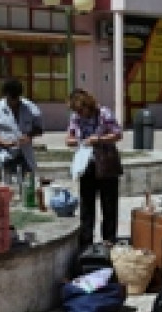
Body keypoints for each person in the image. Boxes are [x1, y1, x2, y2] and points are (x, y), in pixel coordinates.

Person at [65, 89, 123, 249]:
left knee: (109, 204)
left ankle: (109, 239)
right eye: (76, 111)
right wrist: (75, 140)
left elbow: (117, 134)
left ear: (88, 105)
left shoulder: (104, 113)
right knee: (86, 205)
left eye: (81, 110)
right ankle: (86, 240)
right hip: (87, 165)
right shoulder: (76, 118)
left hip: (106, 164)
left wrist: (98, 139)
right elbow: (68, 137)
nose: (79, 114)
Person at [0, 78, 43, 191]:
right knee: (5, 186)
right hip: (5, 154)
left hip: (25, 153)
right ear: (5, 95)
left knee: (27, 185)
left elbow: (39, 128)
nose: (14, 102)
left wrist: (29, 135)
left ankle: (25, 201)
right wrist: (4, 143)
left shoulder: (31, 108)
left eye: (16, 99)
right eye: (11, 99)